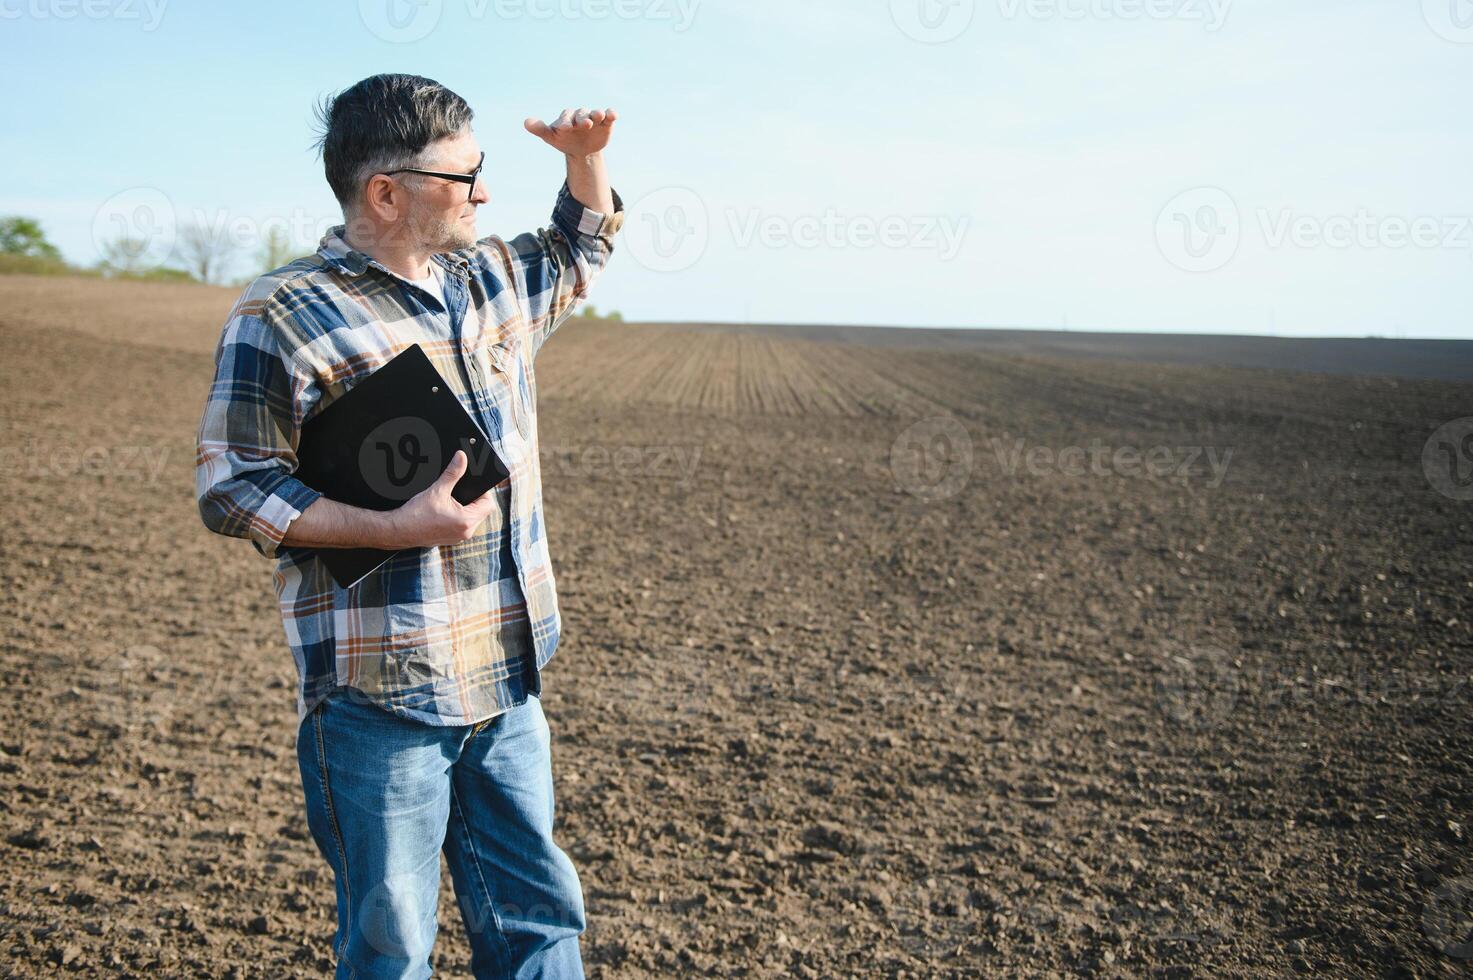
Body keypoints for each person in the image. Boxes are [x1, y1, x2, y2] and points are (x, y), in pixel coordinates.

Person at [194, 73, 623, 978]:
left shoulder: (488, 281)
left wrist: (587, 163)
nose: (485, 194)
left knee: (540, 924)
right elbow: (232, 484)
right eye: (466, 178)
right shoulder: (282, 313)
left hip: (508, 678)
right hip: (379, 695)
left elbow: (580, 244)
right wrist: (388, 528)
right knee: (391, 946)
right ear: (385, 192)